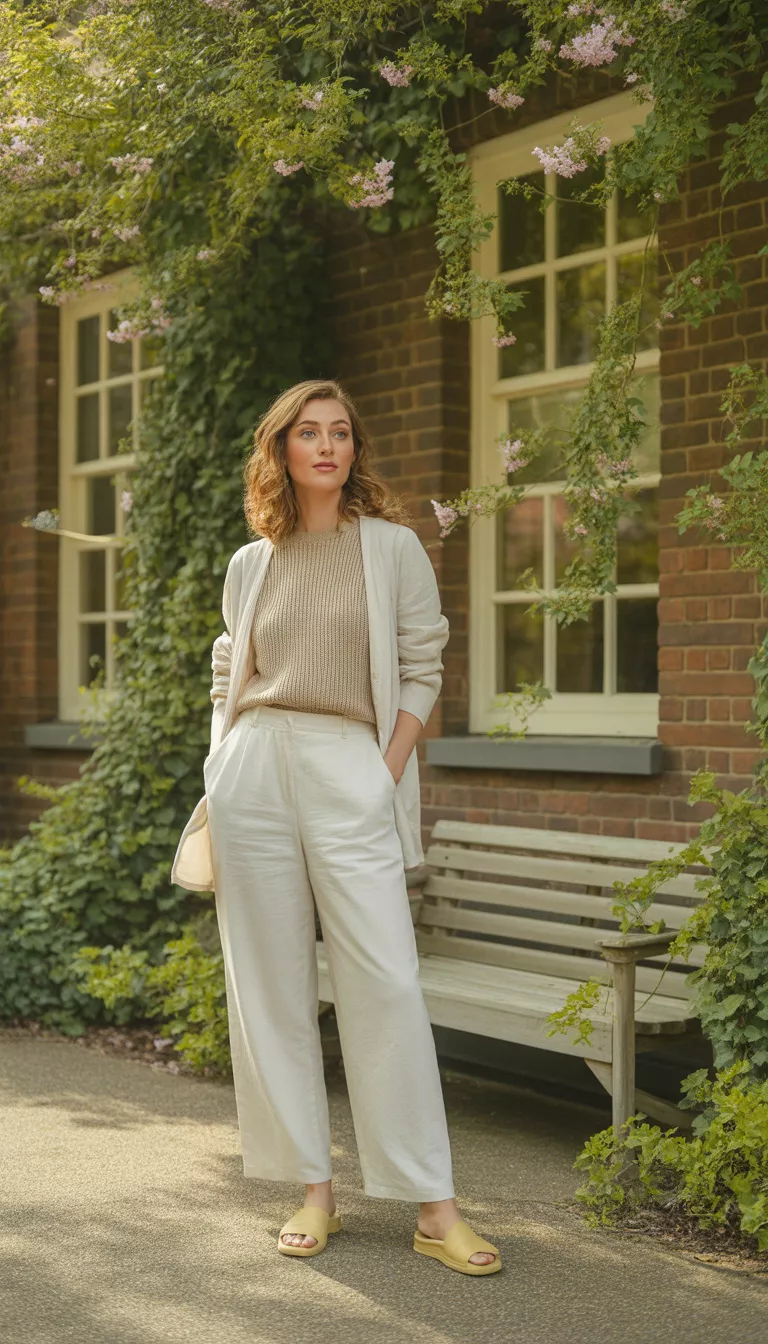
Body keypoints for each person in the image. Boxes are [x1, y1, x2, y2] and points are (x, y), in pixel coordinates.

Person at [189, 378, 501, 1276]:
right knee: (270, 985)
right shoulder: (251, 563)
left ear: (355, 449)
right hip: (254, 767)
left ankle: (434, 1208)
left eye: (340, 433)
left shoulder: (395, 549)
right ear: (281, 450)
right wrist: (222, 762)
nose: (327, 447)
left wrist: (383, 771)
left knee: (387, 980)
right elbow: (227, 676)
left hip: (350, 764)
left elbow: (421, 669)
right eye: (308, 433)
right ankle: (311, 1188)